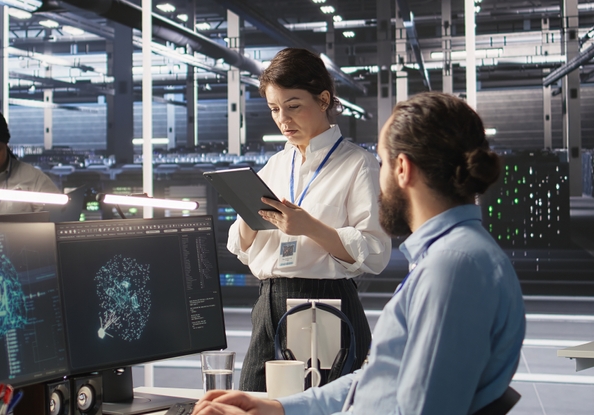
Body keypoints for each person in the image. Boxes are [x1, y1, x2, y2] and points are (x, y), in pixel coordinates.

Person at [196, 92, 526, 415]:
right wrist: (280, 408)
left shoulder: (453, 269)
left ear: (402, 169)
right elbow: (376, 381)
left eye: (380, 162)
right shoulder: (453, 259)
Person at [229, 48, 389, 391]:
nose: (283, 119)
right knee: (250, 407)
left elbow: (375, 251)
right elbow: (241, 248)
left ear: (324, 99)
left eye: (293, 105)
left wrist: (308, 227)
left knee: (322, 408)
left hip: (323, 305)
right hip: (268, 303)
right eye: (274, 109)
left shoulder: (359, 164)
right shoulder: (274, 165)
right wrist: (247, 210)